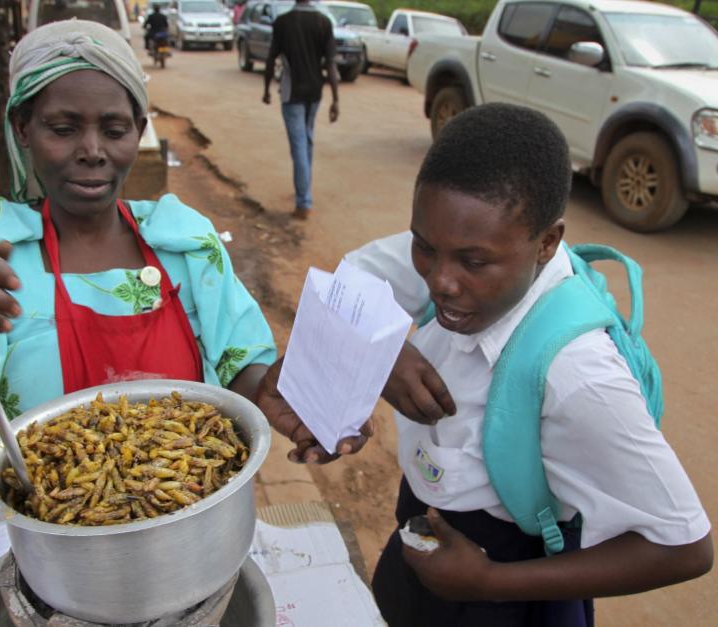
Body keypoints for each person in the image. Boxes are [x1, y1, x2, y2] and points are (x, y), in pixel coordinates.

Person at [256, 103, 712, 625]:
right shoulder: (464, 254)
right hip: (420, 556)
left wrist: (490, 582)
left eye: (473, 262)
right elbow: (350, 281)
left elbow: (684, 548)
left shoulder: (577, 375)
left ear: (547, 243)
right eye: (424, 248)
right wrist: (379, 353)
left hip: (503, 592)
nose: (440, 281)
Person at [0, 19, 276, 448]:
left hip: (190, 502)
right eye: (63, 129)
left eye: (114, 131)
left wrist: (277, 396)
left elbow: (242, 369)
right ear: (22, 127)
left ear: (137, 129)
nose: (92, 151)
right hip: (61, 510)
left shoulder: (183, 241)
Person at [262, 0, 339, 220]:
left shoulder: (283, 22)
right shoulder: (323, 22)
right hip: (314, 91)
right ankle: (303, 191)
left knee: (299, 145)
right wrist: (335, 99)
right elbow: (330, 64)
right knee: (307, 140)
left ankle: (304, 201)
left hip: (291, 92)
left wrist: (266, 89)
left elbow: (271, 59)